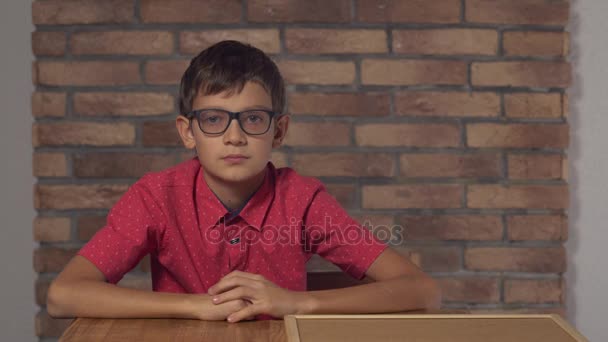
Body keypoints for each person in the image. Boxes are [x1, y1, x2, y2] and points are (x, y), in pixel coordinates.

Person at [47, 40, 440, 323]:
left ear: (279, 131)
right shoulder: (156, 197)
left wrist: (296, 303)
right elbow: (63, 295)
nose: (235, 136)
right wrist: (195, 306)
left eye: (253, 118)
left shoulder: (302, 201)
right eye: (214, 120)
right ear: (188, 132)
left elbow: (422, 290)